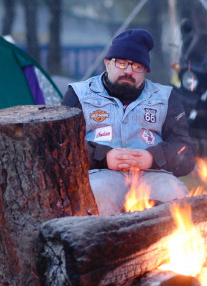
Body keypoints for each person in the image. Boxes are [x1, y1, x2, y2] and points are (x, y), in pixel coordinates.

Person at [61, 29, 197, 216]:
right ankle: (100, 245)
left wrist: (152, 157)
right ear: (107, 63)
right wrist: (104, 157)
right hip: (100, 174)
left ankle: (170, 245)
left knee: (175, 195)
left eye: (136, 66)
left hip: (153, 174)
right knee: (95, 193)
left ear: (145, 71)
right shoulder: (80, 94)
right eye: (121, 63)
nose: (128, 71)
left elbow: (185, 152)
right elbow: (62, 148)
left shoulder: (165, 98)